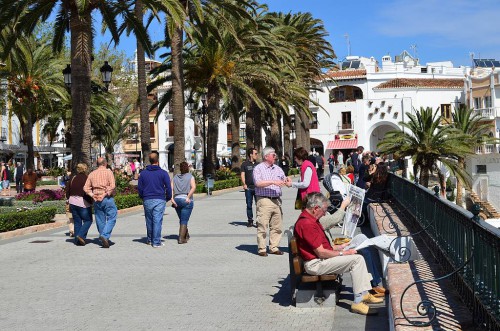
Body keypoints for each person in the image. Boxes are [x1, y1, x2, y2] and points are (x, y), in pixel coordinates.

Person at [294, 192, 383, 315]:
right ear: (315, 208)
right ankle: (358, 301)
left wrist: (340, 247)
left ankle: (364, 294)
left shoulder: (311, 220)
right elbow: (321, 253)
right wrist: (344, 253)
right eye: (324, 210)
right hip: (315, 265)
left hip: (319, 260)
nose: (325, 213)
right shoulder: (307, 224)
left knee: (358, 253)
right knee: (356, 260)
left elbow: (323, 247)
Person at [253, 146, 287, 256]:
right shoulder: (258, 168)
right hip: (264, 200)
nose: (275, 156)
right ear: (266, 156)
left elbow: (284, 178)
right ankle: (262, 249)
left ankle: (274, 247)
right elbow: (258, 183)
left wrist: (287, 180)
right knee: (262, 225)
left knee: (277, 226)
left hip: (277, 200)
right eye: (273, 155)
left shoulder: (277, 168)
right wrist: (273, 181)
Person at [138, 152, 172, 248]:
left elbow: (140, 188)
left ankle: (149, 239)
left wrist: (142, 197)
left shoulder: (143, 173)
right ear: (157, 161)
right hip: (160, 199)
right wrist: (168, 197)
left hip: (147, 199)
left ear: (150, 160)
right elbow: (168, 187)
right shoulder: (163, 173)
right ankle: (156, 242)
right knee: (157, 220)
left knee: (149, 220)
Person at [84, 157, 117, 248]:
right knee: (112, 217)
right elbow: (112, 185)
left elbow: (86, 188)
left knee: (100, 219)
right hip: (107, 198)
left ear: (97, 164)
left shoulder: (92, 174)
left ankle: (104, 238)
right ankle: (105, 235)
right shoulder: (108, 172)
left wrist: (92, 195)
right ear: (105, 163)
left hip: (96, 200)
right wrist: (105, 194)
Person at [66, 163, 93, 246]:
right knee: (88, 220)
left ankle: (78, 241)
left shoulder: (73, 178)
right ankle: (80, 236)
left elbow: (68, 191)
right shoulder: (87, 178)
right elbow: (88, 191)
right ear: (85, 169)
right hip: (83, 202)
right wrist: (91, 201)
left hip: (72, 202)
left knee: (77, 221)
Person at [171, 161, 196, 244]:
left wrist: (172, 199)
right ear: (187, 168)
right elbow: (193, 187)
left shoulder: (175, 177)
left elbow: (171, 188)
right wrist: (188, 197)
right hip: (186, 200)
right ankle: (181, 239)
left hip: (177, 200)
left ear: (180, 169)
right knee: (184, 220)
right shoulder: (190, 176)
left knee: (182, 219)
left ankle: (186, 235)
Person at [241, 148, 259, 227]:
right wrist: (244, 184)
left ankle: (259, 221)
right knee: (249, 205)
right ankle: (250, 221)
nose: (257, 155)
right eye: (255, 153)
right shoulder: (244, 164)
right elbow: (242, 175)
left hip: (257, 188)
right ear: (251, 154)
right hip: (248, 188)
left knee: (259, 205)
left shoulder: (258, 164)